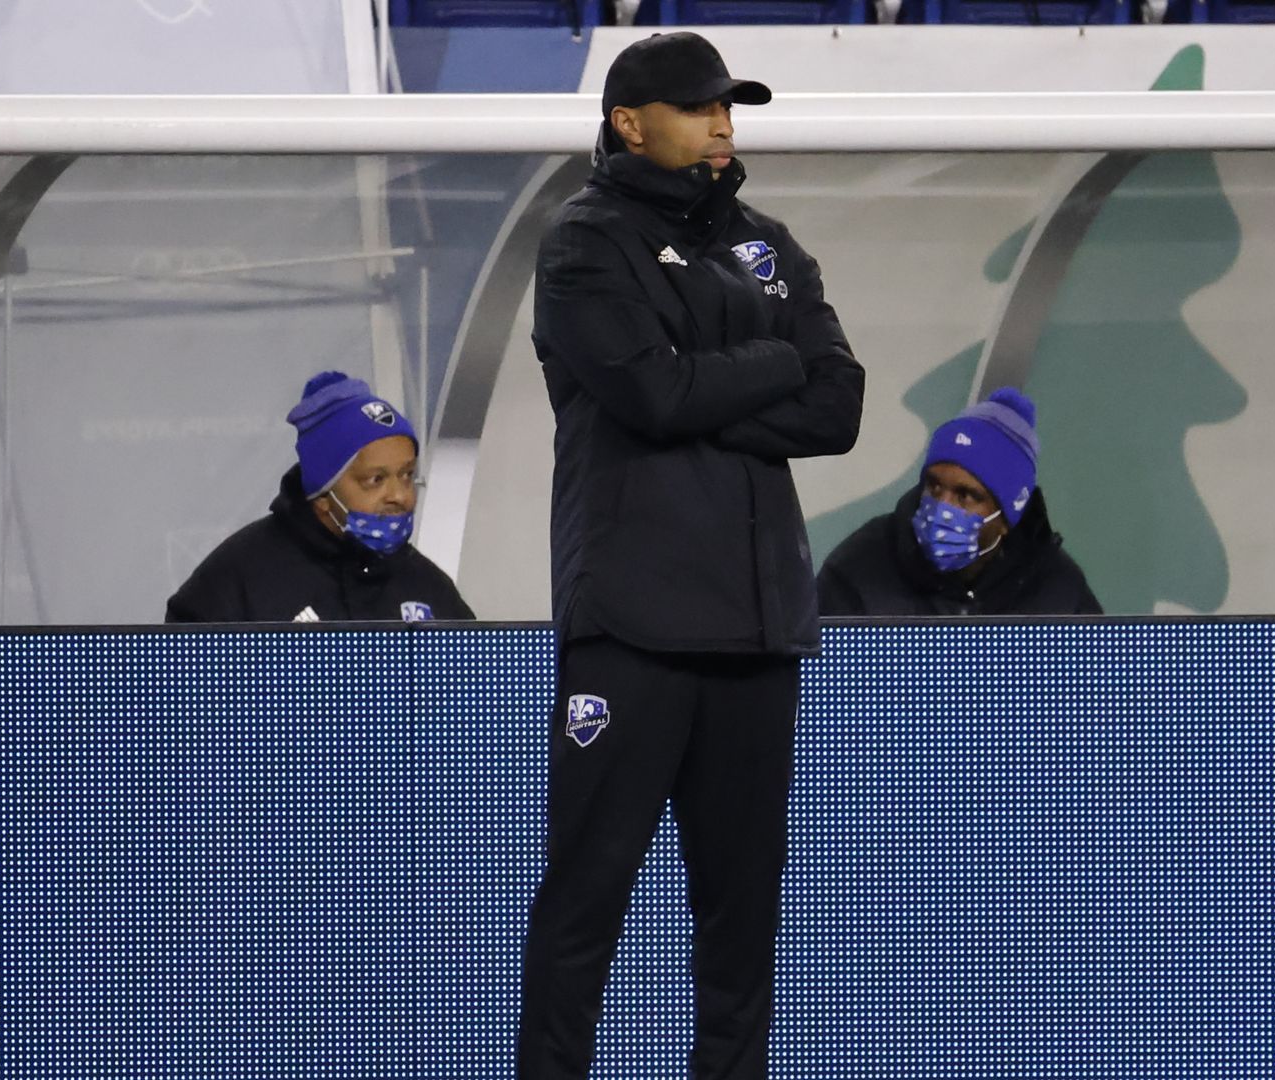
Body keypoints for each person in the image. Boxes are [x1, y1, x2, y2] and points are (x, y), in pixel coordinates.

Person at [518, 31, 863, 1080]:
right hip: (631, 628)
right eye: (700, 106)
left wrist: (702, 387)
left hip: (758, 632)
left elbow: (838, 406)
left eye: (731, 107)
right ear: (631, 121)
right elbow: (648, 395)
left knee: (742, 916)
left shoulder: (769, 242)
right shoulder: (582, 244)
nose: (723, 123)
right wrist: (768, 360)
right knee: (587, 901)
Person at [165, 371, 473, 623]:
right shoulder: (236, 580)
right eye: (375, 480)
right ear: (323, 495)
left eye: (407, 475)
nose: (399, 495)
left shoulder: (429, 586)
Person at [816, 387, 1101, 616]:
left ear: (1006, 518)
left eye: (966, 496)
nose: (943, 506)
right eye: (934, 486)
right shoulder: (860, 566)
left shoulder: (1057, 590)